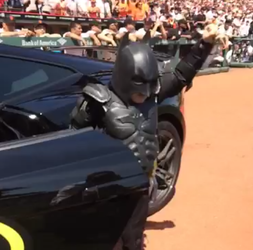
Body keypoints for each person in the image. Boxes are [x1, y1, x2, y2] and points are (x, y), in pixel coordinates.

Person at [70, 23, 228, 250]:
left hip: (141, 185)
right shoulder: (97, 102)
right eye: (138, 89)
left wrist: (205, 43)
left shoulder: (153, 93)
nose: (143, 94)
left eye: (148, 87)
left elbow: (181, 75)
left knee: (134, 240)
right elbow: (71, 144)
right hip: (108, 190)